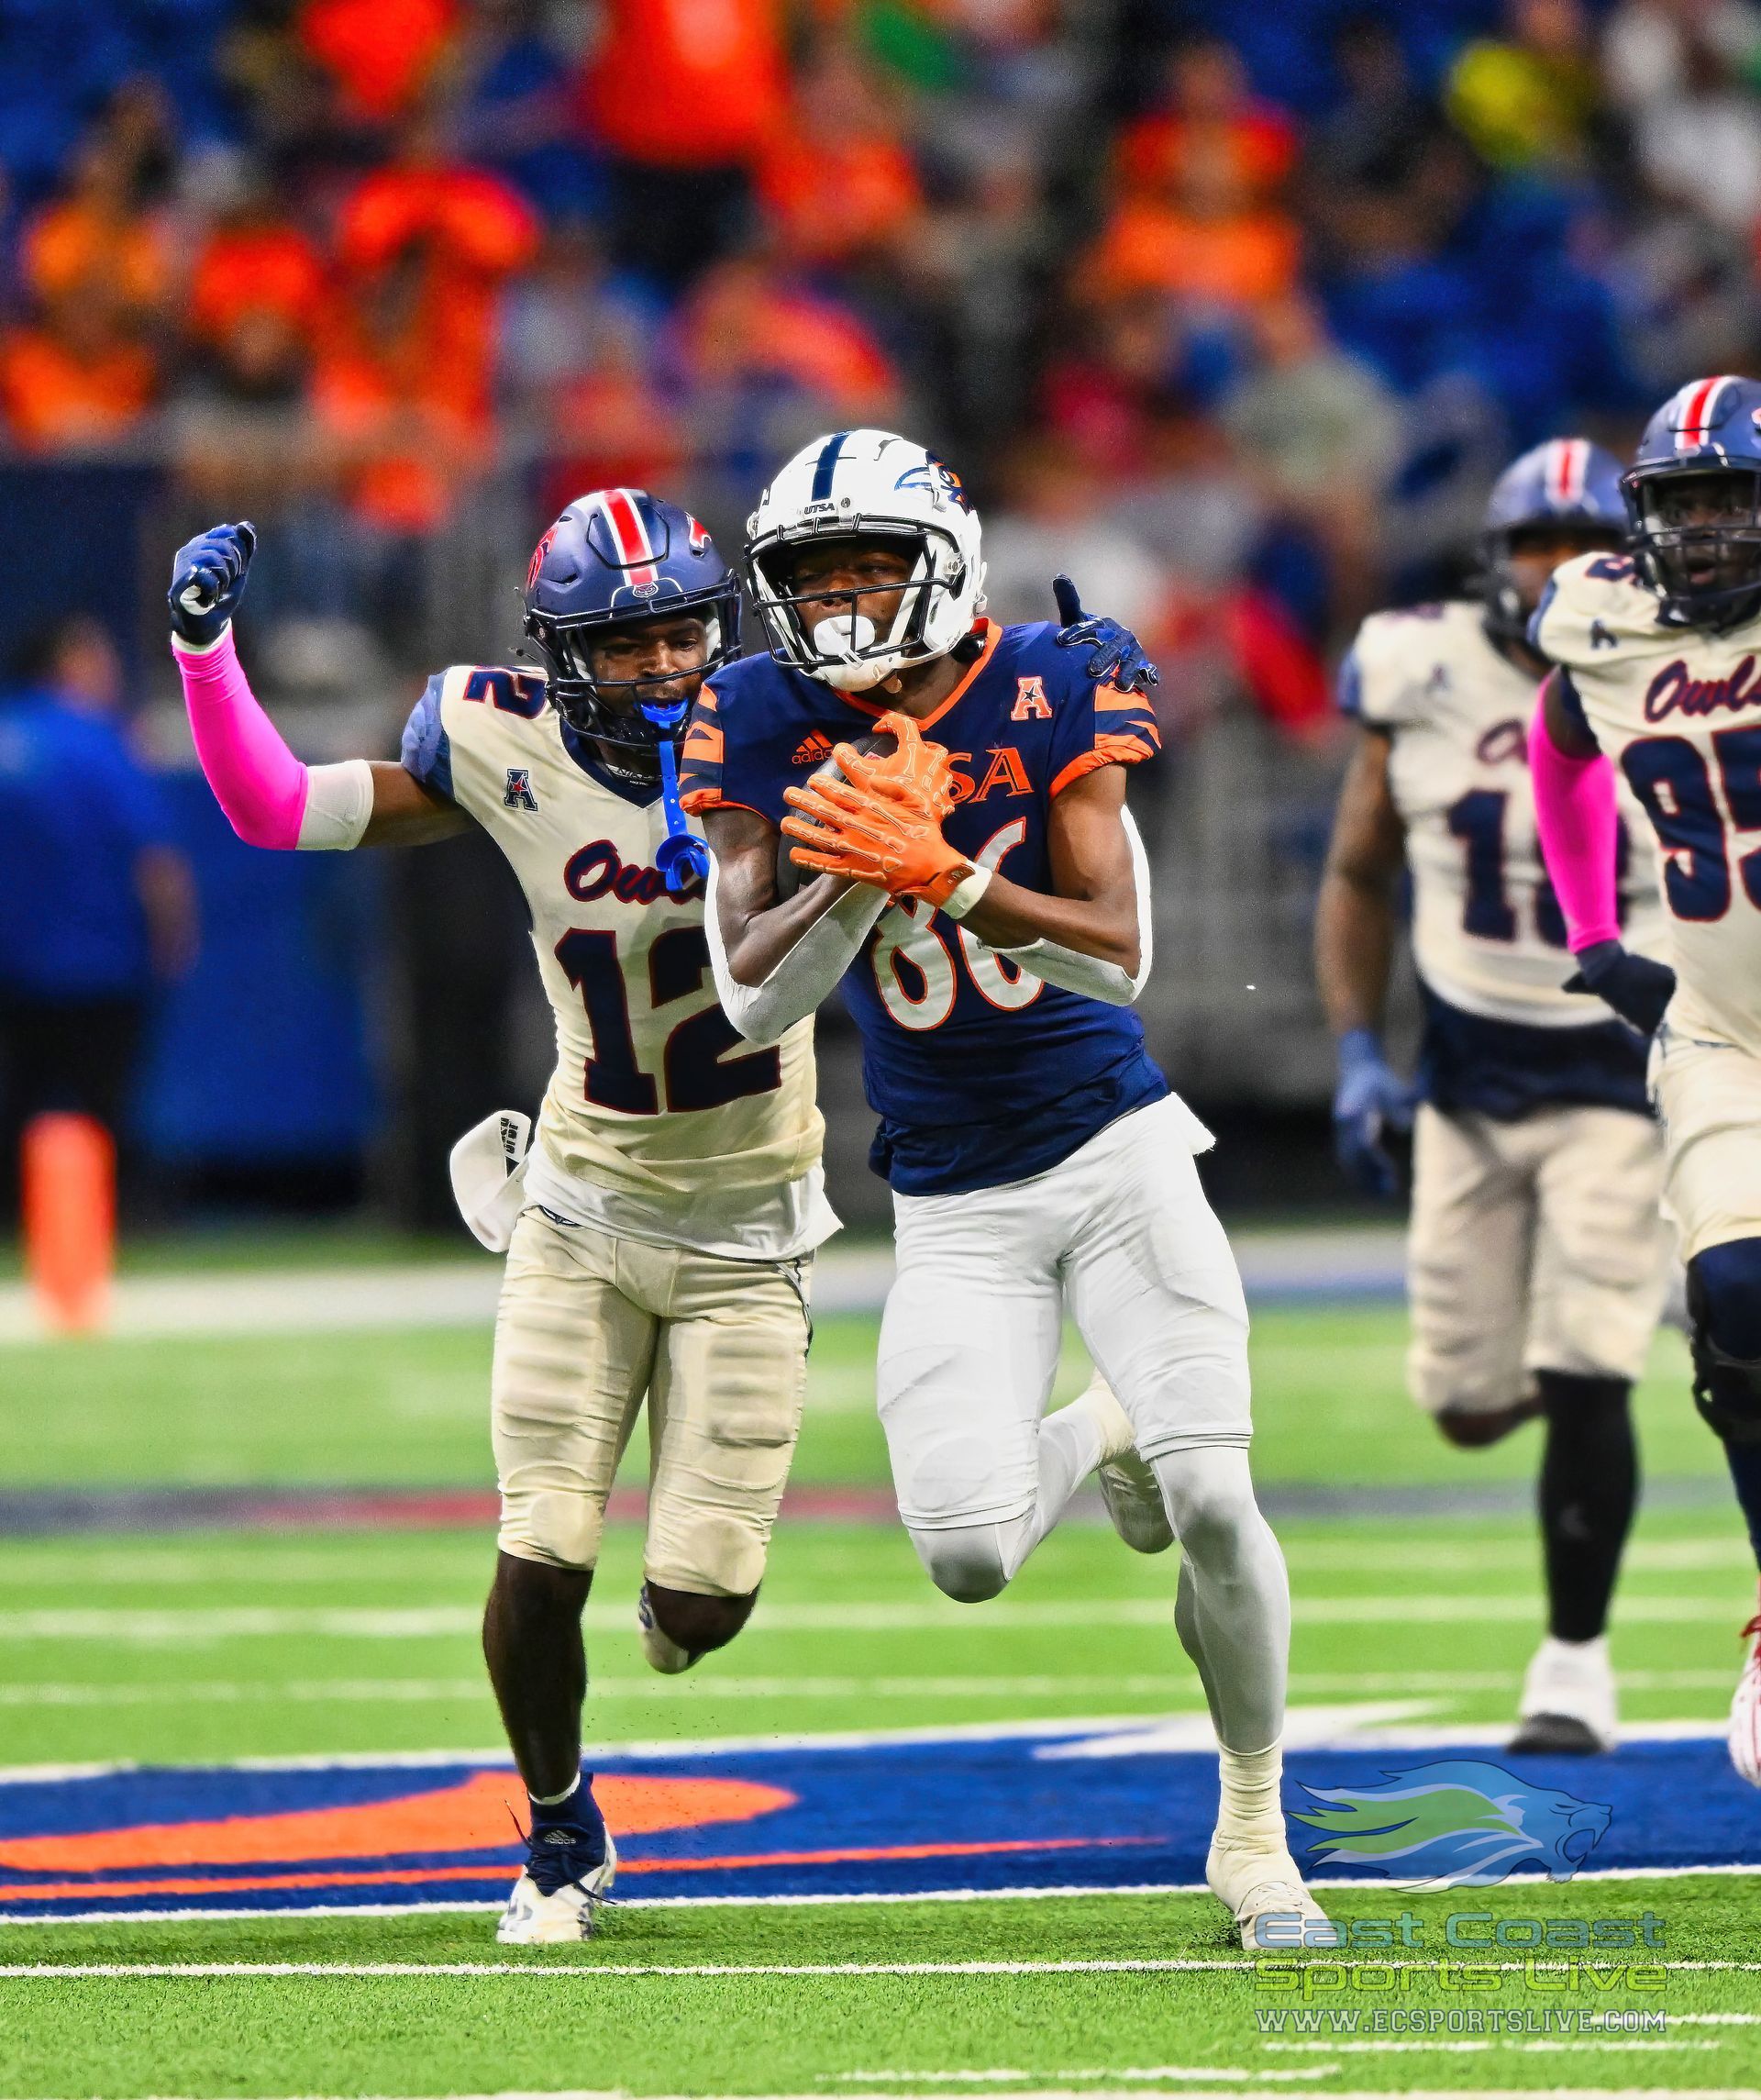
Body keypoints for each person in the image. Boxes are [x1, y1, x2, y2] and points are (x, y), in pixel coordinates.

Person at [165, 487, 1145, 1940]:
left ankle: (680, 1625)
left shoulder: (789, 726)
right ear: (560, 654)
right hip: (581, 1203)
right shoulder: (497, 742)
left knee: (696, 1613)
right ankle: (560, 1835)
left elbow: (982, 704)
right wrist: (203, 649)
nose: (662, 671)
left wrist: (1071, 687)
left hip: (755, 1224)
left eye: (683, 636)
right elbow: (276, 807)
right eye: (621, 649)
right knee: (541, 1547)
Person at [681, 426, 1328, 1950]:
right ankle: (1104, 1424)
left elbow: (1118, 954)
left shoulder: (1051, 677)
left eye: (868, 571)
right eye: (812, 580)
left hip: (1113, 1151)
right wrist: (861, 860)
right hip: (954, 1196)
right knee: (965, 1549)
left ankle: (1254, 1831)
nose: (838, 608)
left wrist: (953, 870)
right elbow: (751, 999)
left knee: (1219, 1494)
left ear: (945, 561)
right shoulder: (759, 712)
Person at [1315, 439, 1671, 1755]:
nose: (1564, 569)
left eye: (1590, 542)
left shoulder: (1669, 662)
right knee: (1468, 1406)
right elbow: (1359, 873)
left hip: (1627, 1071)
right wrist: (1361, 1049)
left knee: (1589, 1370)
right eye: (1538, 544)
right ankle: (1617, 1310)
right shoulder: (1416, 666)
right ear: (1491, 561)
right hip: (1468, 1074)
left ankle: (1573, 1665)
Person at [1528, 374, 1761, 1785]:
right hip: (1725, 1026)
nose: (1713, 531)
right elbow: (1561, 752)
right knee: (1735, 1294)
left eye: (1734, 497)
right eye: (1687, 505)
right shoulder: (1600, 621)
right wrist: (1593, 927)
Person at [0, 617, 196, 1211]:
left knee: (15, 1107)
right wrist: (174, 939)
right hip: (101, 965)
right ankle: (106, 1225)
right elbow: (156, 861)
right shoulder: (101, 743)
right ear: (69, 661)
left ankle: (15, 1220)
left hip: (14, 966)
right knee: (106, 1110)